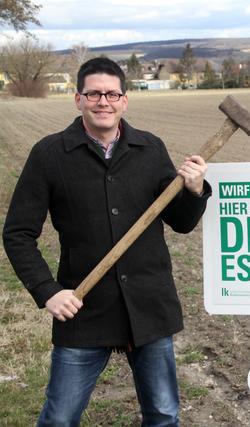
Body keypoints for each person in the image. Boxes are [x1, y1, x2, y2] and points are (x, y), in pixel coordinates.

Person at [2, 57, 211, 426]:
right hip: (85, 309)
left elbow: (180, 223)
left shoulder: (150, 149)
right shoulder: (50, 155)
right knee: (59, 419)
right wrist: (48, 291)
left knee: (163, 415)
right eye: (94, 93)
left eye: (112, 93)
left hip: (149, 307)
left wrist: (194, 191)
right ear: (78, 99)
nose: (104, 101)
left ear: (125, 100)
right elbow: (18, 233)